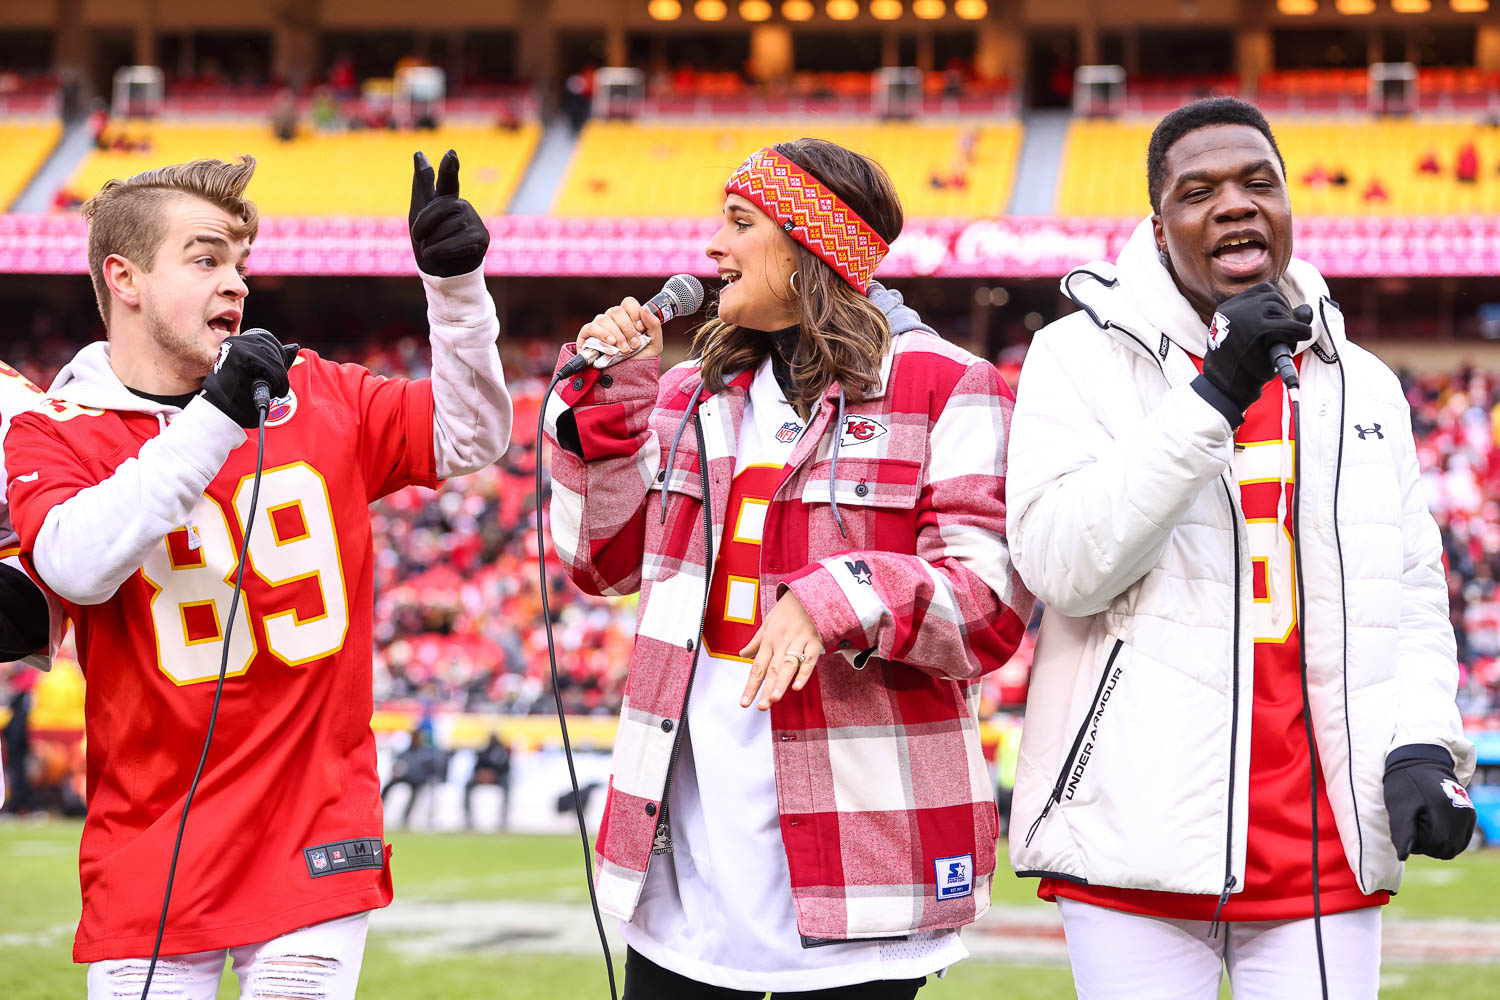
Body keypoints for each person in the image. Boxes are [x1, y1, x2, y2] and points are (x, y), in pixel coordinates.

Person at [5, 150, 511, 997]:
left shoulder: (313, 389)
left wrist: (457, 291)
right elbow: (75, 564)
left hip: (311, 823)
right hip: (149, 838)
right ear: (123, 277)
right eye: (206, 259)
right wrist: (214, 420)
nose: (236, 283)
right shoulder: (57, 429)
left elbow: (469, 437)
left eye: (240, 262)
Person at [1007, 97, 1475, 999]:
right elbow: (1063, 566)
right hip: (1134, 839)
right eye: (1200, 191)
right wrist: (1216, 393)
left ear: (1290, 204)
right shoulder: (1075, 356)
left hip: (1323, 839)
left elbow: (1411, 591)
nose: (1234, 203)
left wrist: (1422, 744)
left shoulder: (1364, 382)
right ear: (1158, 224)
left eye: (1259, 182)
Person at [543, 137, 1033, 997]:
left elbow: (988, 606)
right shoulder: (684, 391)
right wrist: (606, 414)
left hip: (864, 844)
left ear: (814, 245)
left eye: (739, 223)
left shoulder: (949, 384)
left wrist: (840, 596)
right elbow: (602, 563)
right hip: (688, 844)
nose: (712, 248)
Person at [380, 725, 448, 829]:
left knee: (416, 793)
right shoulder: (406, 752)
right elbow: (398, 763)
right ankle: (379, 810)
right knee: (387, 787)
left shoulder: (426, 753)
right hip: (405, 778)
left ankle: (407, 817)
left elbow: (431, 770)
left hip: (419, 780)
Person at [464, 732, 512, 830]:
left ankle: (503, 820)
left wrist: (494, 775)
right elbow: (477, 766)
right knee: (467, 785)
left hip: (498, 777)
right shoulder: (484, 752)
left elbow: (506, 768)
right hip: (482, 777)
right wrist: (482, 775)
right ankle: (468, 818)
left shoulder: (502, 752)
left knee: (507, 785)